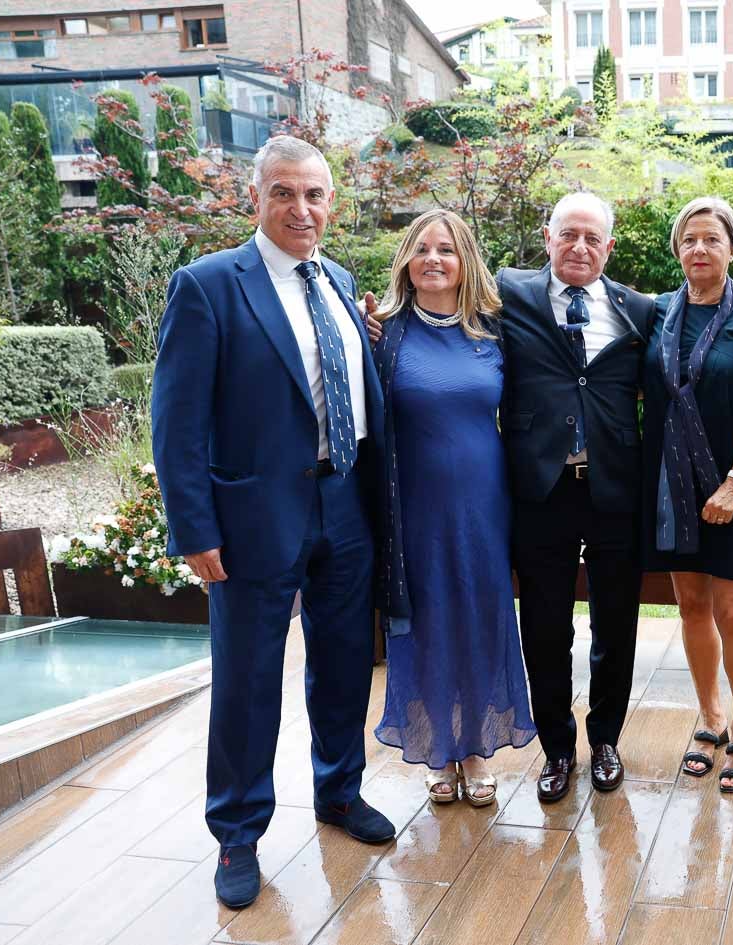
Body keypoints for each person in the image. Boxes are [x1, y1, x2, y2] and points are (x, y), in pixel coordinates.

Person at [151, 135, 394, 910]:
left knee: (347, 659)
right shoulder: (208, 285)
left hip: (345, 501)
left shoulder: (339, 281)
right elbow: (175, 420)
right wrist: (193, 527)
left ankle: (339, 791)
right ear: (254, 198)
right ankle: (238, 831)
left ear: (331, 202)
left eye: (315, 194)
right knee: (250, 679)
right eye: (285, 193)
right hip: (254, 518)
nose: (302, 209)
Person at [368, 209, 537, 806]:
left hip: (483, 502)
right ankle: (437, 749)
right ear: (406, 262)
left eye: (446, 250)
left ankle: (473, 749)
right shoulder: (384, 332)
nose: (433, 260)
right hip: (415, 505)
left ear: (465, 261)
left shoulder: (495, 330)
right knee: (429, 621)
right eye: (421, 250)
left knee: (479, 615)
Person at [497, 194, 656, 802]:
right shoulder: (509, 295)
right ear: (548, 236)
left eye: (593, 238)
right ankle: (557, 749)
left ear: (608, 247)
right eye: (569, 235)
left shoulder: (637, 309)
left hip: (615, 488)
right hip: (542, 489)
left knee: (616, 622)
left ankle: (606, 739)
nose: (580, 248)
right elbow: (445, 316)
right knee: (544, 626)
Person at [644, 197, 733, 794]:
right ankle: (709, 717)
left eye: (711, 240)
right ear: (677, 250)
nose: (699, 250)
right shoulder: (655, 314)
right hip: (673, 488)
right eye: (689, 241)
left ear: (732, 248)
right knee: (691, 607)